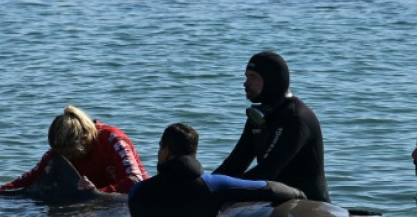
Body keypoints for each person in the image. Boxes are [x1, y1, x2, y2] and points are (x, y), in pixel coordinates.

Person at [213, 51, 330, 202]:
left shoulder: (296, 118)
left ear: (271, 81)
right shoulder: (260, 116)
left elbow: (267, 172)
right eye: (246, 76)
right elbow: (234, 164)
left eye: (253, 77)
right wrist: (203, 185)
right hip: (277, 201)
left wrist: (220, 190)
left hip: (310, 205)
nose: (246, 83)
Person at [128, 123, 306, 217]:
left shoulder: (138, 191)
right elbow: (270, 189)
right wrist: (299, 193)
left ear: (166, 151)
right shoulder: (213, 184)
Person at [0, 105, 147, 194]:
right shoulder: (60, 152)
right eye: (61, 153)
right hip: (92, 202)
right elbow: (31, 177)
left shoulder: (112, 139)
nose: (66, 158)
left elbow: (135, 181)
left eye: (70, 153)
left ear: (84, 139)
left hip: (129, 202)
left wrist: (98, 192)